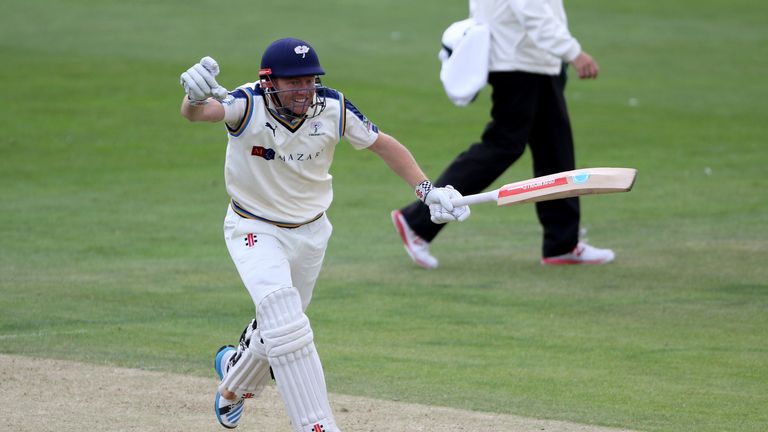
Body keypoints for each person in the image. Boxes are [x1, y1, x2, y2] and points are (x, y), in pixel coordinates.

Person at [178, 38, 470, 432]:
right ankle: (317, 425)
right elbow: (200, 114)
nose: (304, 90)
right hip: (254, 228)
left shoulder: (333, 107)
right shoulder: (246, 103)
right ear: (269, 81)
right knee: (285, 321)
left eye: (309, 80)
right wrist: (192, 99)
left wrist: (427, 191)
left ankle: (233, 380)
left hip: (312, 232)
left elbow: (383, 145)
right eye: (293, 82)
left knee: (281, 326)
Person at [391, 0, 615, 269]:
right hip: (519, 62)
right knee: (504, 145)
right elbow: (533, 12)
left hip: (531, 60)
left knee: (554, 149)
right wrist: (573, 53)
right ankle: (418, 221)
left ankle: (562, 243)